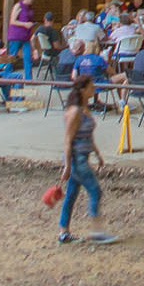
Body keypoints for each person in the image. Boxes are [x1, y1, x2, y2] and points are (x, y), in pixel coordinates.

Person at [56, 75, 116, 244]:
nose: (94, 89)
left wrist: (97, 153)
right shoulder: (75, 111)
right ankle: (97, 231)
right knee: (95, 191)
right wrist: (67, 165)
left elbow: (87, 134)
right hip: (77, 159)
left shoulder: (84, 108)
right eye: (91, 87)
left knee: (71, 196)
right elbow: (68, 139)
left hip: (83, 156)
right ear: (83, 89)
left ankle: (64, 232)